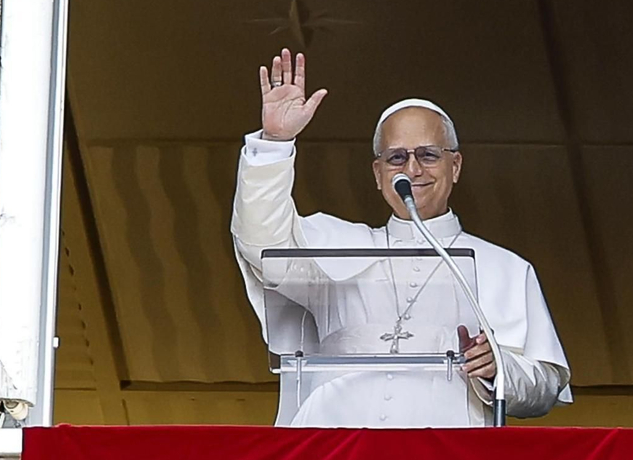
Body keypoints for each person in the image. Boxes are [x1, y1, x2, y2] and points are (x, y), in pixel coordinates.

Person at [232, 48, 572, 427]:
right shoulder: (336, 247)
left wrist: (499, 367)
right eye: (396, 158)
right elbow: (260, 243)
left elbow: (546, 384)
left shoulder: (505, 267)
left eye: (428, 155)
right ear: (378, 173)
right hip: (336, 459)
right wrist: (274, 144)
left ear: (455, 165)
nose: (412, 169)